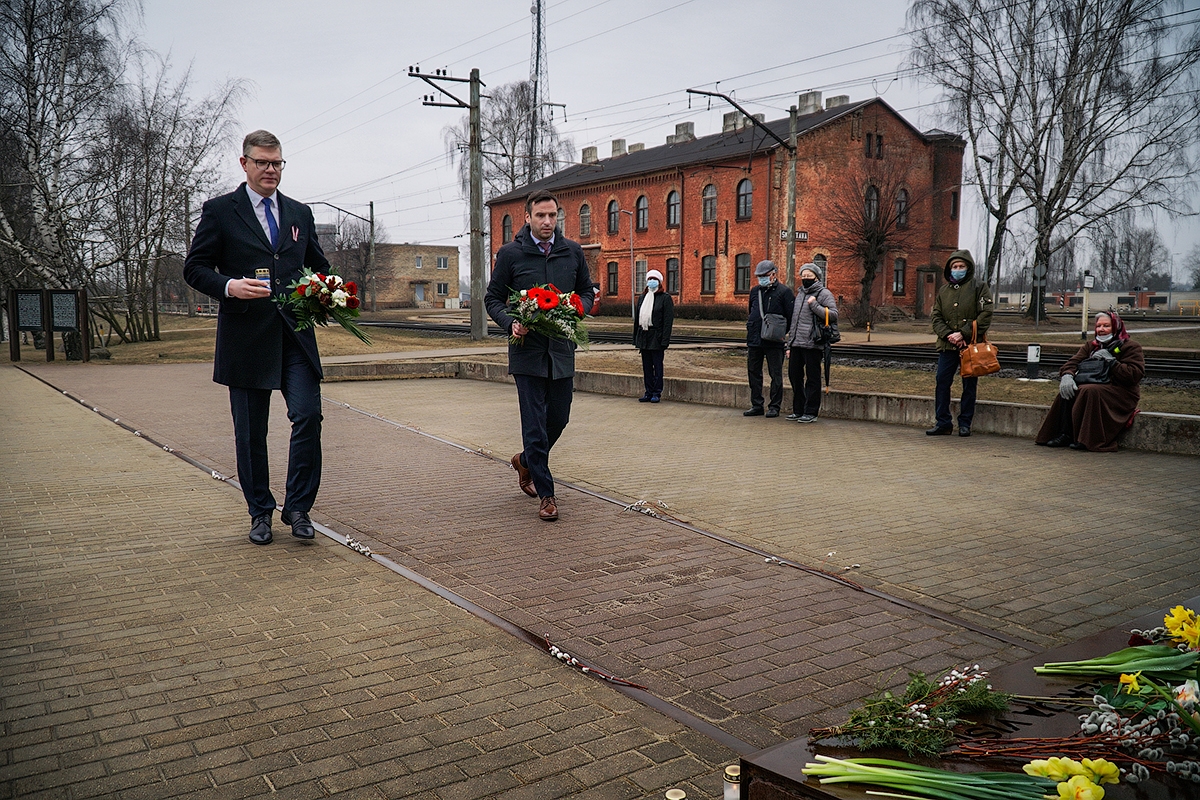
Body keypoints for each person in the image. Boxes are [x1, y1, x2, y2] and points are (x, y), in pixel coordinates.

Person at [183, 130, 328, 545]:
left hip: (295, 337)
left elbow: (317, 266)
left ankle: (298, 507)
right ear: (244, 163)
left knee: (308, 417)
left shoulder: (299, 213)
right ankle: (260, 512)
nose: (270, 170)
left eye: (277, 163)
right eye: (262, 162)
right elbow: (195, 268)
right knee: (251, 432)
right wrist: (229, 286)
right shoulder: (219, 212)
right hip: (246, 339)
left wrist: (324, 290)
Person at [485, 189, 594, 522]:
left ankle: (525, 462)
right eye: (541, 216)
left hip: (561, 351)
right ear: (528, 217)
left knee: (558, 419)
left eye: (553, 215)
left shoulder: (572, 252)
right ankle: (547, 494)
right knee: (534, 427)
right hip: (527, 354)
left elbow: (588, 292)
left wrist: (578, 309)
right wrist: (510, 322)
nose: (548, 221)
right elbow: (493, 298)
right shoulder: (511, 254)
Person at [1035, 311, 1144, 452]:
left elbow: (1134, 375)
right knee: (1068, 390)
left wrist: (1112, 362)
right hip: (1096, 385)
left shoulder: (1130, 346)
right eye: (1098, 326)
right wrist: (1067, 376)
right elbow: (1072, 363)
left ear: (1116, 327)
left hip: (1121, 392)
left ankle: (1089, 439)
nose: (1101, 329)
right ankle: (1064, 434)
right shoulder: (1091, 345)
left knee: (1089, 390)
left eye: (1106, 326)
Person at [927, 249, 993, 437]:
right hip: (947, 346)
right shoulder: (943, 291)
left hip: (970, 346)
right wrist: (948, 334)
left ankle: (965, 423)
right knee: (942, 382)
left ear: (968, 267)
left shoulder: (979, 287)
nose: (957, 269)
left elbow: (986, 314)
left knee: (969, 385)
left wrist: (963, 334)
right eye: (954, 267)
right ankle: (943, 422)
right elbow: (936, 316)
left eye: (961, 266)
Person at [785, 262, 838, 422]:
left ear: (816, 277)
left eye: (809, 276)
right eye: (803, 276)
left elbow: (833, 314)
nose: (806, 278)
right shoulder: (800, 294)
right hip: (796, 343)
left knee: (813, 378)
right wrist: (789, 344)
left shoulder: (824, 293)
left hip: (813, 343)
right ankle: (798, 410)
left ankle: (811, 411)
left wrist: (814, 305)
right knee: (794, 376)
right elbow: (794, 321)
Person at [744, 260, 795, 418]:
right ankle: (757, 405)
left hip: (774, 341)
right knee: (753, 372)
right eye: (759, 277)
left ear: (774, 274)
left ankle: (774, 406)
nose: (761, 279)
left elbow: (791, 317)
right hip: (754, 339)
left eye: (764, 276)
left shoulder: (784, 292)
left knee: (776, 374)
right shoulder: (755, 291)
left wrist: (782, 335)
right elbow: (751, 310)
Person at [633, 268, 674, 403]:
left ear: (659, 282)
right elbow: (638, 320)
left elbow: (668, 321)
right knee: (646, 367)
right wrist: (635, 338)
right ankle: (648, 391)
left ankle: (657, 392)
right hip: (644, 336)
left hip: (656, 337)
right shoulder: (642, 298)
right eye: (649, 279)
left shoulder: (665, 298)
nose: (651, 282)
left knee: (657, 366)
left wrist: (664, 340)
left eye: (654, 280)